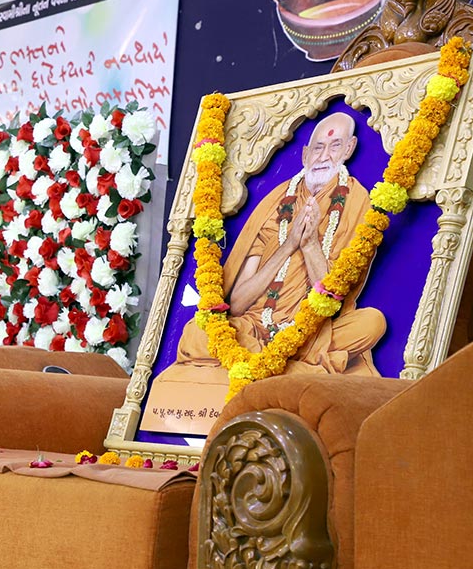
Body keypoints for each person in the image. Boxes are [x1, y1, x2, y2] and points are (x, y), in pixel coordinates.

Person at [145, 112, 386, 433]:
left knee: (371, 323)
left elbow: (335, 302)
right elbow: (238, 302)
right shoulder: (276, 203)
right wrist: (287, 247)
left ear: (349, 149)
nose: (324, 156)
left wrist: (311, 244)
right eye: (318, 147)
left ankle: (279, 361)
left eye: (335, 146)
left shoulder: (357, 202)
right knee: (197, 333)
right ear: (305, 154)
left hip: (316, 331)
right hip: (256, 325)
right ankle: (289, 366)